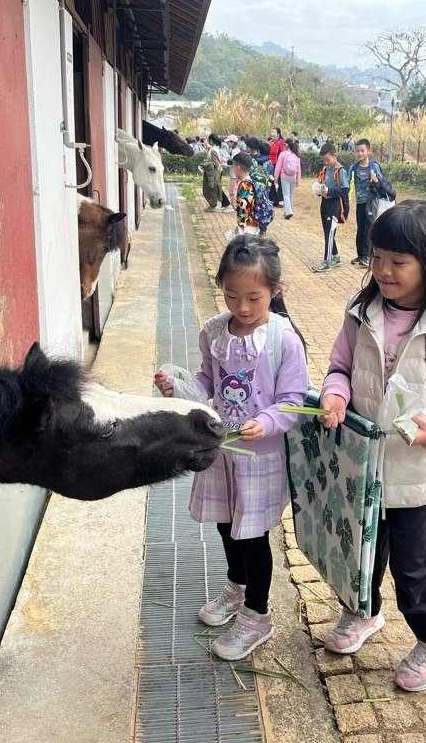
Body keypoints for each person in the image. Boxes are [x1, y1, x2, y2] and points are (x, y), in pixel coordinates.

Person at [318, 200, 426, 691]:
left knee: (414, 567)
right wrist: (334, 395)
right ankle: (363, 611)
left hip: (416, 471)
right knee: (360, 551)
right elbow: (339, 367)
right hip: (363, 463)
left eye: (398, 261)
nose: (384, 271)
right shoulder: (361, 310)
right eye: (377, 257)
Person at [154, 235, 308, 660]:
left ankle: (258, 616)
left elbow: (293, 400)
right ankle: (236, 588)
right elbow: (208, 380)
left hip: (260, 458)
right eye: (231, 295)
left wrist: (267, 422)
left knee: (252, 536)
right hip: (222, 450)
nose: (241, 307)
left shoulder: (283, 340)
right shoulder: (214, 332)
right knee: (225, 525)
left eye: (253, 298)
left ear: (275, 290)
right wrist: (180, 385)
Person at [311, 143, 349, 272]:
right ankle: (336, 257)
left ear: (335, 156)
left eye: (328, 160)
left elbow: (345, 190)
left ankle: (326, 262)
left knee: (330, 233)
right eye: (324, 161)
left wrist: (330, 191)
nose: (326, 163)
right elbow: (323, 185)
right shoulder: (326, 169)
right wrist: (319, 190)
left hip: (335, 205)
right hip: (325, 204)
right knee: (328, 232)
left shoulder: (340, 170)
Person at [349, 138, 384, 266]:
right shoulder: (353, 168)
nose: (360, 153)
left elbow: (382, 183)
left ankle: (369, 256)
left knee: (369, 228)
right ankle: (361, 255)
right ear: (355, 152)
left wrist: (376, 180)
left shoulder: (374, 166)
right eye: (357, 151)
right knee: (360, 228)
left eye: (362, 151)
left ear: (369, 151)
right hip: (360, 202)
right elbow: (348, 183)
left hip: (371, 202)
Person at [231, 152, 266, 235]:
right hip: (254, 224)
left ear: (238, 168)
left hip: (248, 227)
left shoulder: (244, 185)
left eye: (233, 166)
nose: (233, 169)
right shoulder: (251, 182)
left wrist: (240, 227)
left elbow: (244, 207)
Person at [275, 137, 301, 220]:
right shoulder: (296, 155)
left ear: (287, 145)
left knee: (285, 194)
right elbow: (299, 168)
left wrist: (276, 178)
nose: (283, 145)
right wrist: (298, 179)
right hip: (293, 177)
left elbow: (278, 167)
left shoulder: (283, 154)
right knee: (290, 194)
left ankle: (288, 212)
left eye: (284, 144)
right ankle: (288, 211)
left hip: (284, 176)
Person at [202, 133, 228, 213]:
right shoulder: (215, 148)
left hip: (212, 172)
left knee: (213, 188)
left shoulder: (213, 150)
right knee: (213, 188)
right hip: (212, 171)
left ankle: (223, 204)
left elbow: (215, 163)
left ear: (211, 141)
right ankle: (213, 204)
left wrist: (206, 164)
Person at [224, 135, 241, 212]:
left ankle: (234, 206)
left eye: (229, 142)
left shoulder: (234, 151)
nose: (228, 144)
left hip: (234, 174)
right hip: (237, 174)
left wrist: (225, 162)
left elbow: (233, 162)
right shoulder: (238, 150)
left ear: (232, 142)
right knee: (235, 189)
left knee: (233, 190)